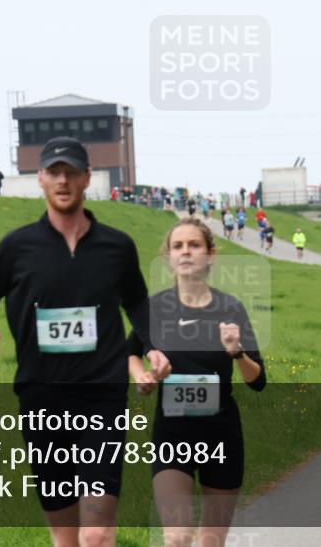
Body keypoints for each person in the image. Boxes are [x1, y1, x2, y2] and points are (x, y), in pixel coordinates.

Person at [0, 136, 171, 546]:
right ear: (39, 178)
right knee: (65, 537)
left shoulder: (117, 246)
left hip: (102, 398)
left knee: (96, 533)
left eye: (71, 173)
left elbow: (138, 302)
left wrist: (152, 345)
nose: (63, 180)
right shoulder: (17, 247)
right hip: (42, 399)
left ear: (87, 179)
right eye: (54, 172)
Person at [127, 218, 265, 547]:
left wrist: (236, 353)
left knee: (210, 542)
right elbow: (129, 353)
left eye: (194, 245)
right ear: (168, 258)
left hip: (222, 435)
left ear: (210, 255)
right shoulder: (155, 308)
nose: (185, 252)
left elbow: (257, 380)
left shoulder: (230, 308)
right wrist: (141, 376)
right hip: (172, 434)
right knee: (177, 537)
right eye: (178, 246)